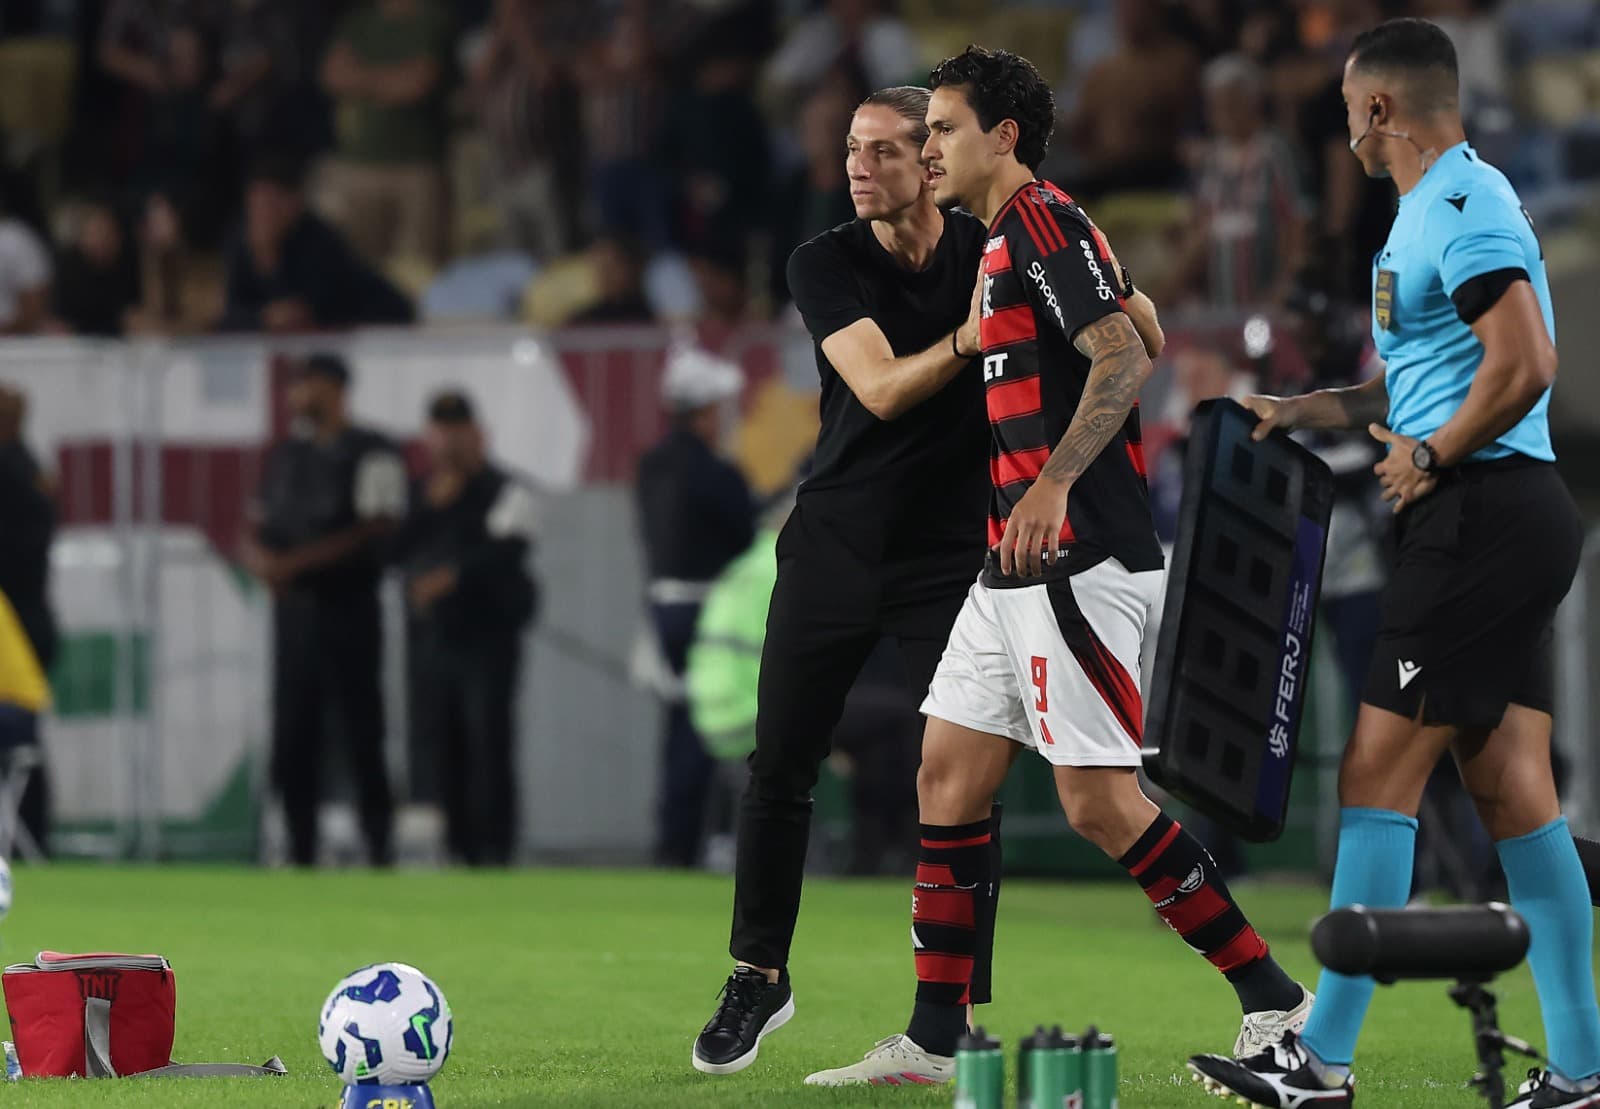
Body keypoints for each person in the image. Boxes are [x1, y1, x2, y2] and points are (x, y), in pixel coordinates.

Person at [805, 48, 1310, 1088]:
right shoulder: (1022, 238)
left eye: (943, 128)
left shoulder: (1036, 223)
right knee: (945, 774)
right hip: (1011, 568)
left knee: (1093, 801)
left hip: (1072, 556)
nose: (929, 146)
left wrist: (1051, 486)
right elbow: (1147, 328)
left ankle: (1274, 998)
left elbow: (1122, 354)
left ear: (1001, 138)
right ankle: (932, 1040)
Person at [690, 83, 1166, 1079]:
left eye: (884, 149)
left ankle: (944, 1020)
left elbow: (1135, 324)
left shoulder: (995, 244)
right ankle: (758, 973)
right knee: (779, 761)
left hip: (947, 554)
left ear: (933, 160)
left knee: (959, 777)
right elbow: (877, 388)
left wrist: (1107, 297)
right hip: (835, 542)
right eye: (851, 150)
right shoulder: (823, 260)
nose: (856, 167)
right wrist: (981, 327)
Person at [1187, 20, 1600, 1109]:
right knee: (1514, 791)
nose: (1343, 125)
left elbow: (1526, 361)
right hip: (1490, 515)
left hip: (1480, 514)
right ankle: (1584, 1069)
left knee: (1377, 773)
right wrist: (1308, 408)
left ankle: (1318, 1060)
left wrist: (1432, 452)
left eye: (1345, 105)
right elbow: (1421, 375)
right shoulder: (1422, 214)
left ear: (1379, 110)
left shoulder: (1464, 203)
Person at [241, 353, 406, 866]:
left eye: (306, 384)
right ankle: (300, 848)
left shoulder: (373, 451)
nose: (296, 395)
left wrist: (296, 564)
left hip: (349, 610)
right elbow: (257, 523)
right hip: (294, 617)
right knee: (294, 735)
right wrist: (262, 560)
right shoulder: (287, 454)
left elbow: (378, 528)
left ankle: (379, 846)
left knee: (361, 732)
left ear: (333, 389)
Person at [396, 390, 539, 867]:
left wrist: (452, 577)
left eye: (458, 431)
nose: (449, 442)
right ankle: (457, 846)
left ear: (478, 435)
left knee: (488, 739)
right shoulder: (418, 493)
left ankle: (494, 847)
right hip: (433, 640)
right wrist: (431, 507)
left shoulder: (506, 488)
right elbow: (393, 551)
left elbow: (508, 552)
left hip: (488, 638)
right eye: (440, 432)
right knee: (442, 740)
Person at [636, 347, 755, 869]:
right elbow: (744, 535)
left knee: (680, 727)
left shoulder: (650, 468)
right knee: (706, 731)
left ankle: (674, 840)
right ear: (704, 412)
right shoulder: (717, 473)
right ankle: (691, 845)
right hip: (710, 614)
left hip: (663, 608)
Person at [221, 156, 414, 332]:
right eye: (258, 204)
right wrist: (262, 318)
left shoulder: (320, 240)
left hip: (379, 320)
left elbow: (312, 309)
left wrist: (269, 256)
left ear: (295, 204)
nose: (265, 213)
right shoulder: (239, 239)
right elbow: (233, 311)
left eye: (272, 204)